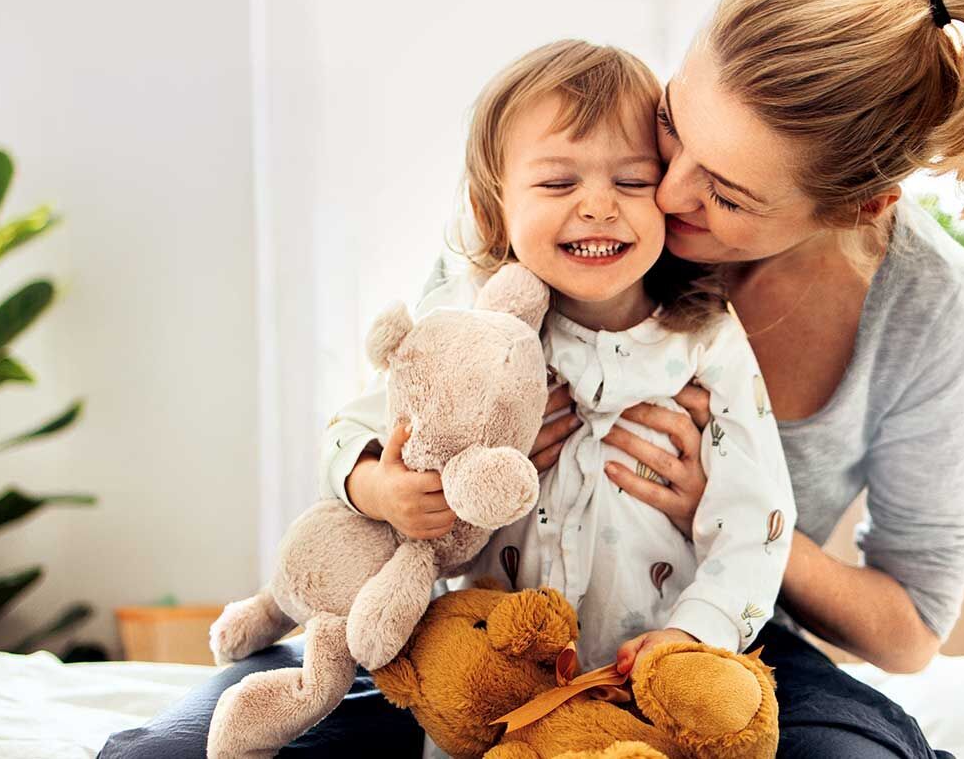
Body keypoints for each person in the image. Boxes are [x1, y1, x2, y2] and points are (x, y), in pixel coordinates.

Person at [103, 0, 964, 759]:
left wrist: (729, 513)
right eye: (673, 131)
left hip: (717, 635)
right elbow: (373, 425)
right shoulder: (559, 214)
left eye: (728, 195)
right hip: (471, 623)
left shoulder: (926, 310)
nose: (661, 192)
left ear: (858, 206)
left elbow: (908, 634)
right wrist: (397, 477)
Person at [323, 38, 795, 673]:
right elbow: (348, 432)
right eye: (557, 181)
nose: (599, 205)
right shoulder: (468, 322)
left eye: (632, 181)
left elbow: (756, 518)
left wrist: (697, 635)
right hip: (491, 672)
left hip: (643, 676)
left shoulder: (705, 339)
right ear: (494, 205)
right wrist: (380, 487)